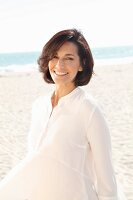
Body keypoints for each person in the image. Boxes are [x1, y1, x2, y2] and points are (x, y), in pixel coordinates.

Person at [0, 28, 126, 200]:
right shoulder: (39, 106)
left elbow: (106, 178)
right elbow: (34, 161)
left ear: (82, 64)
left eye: (69, 58)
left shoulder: (89, 109)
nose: (59, 65)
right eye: (55, 57)